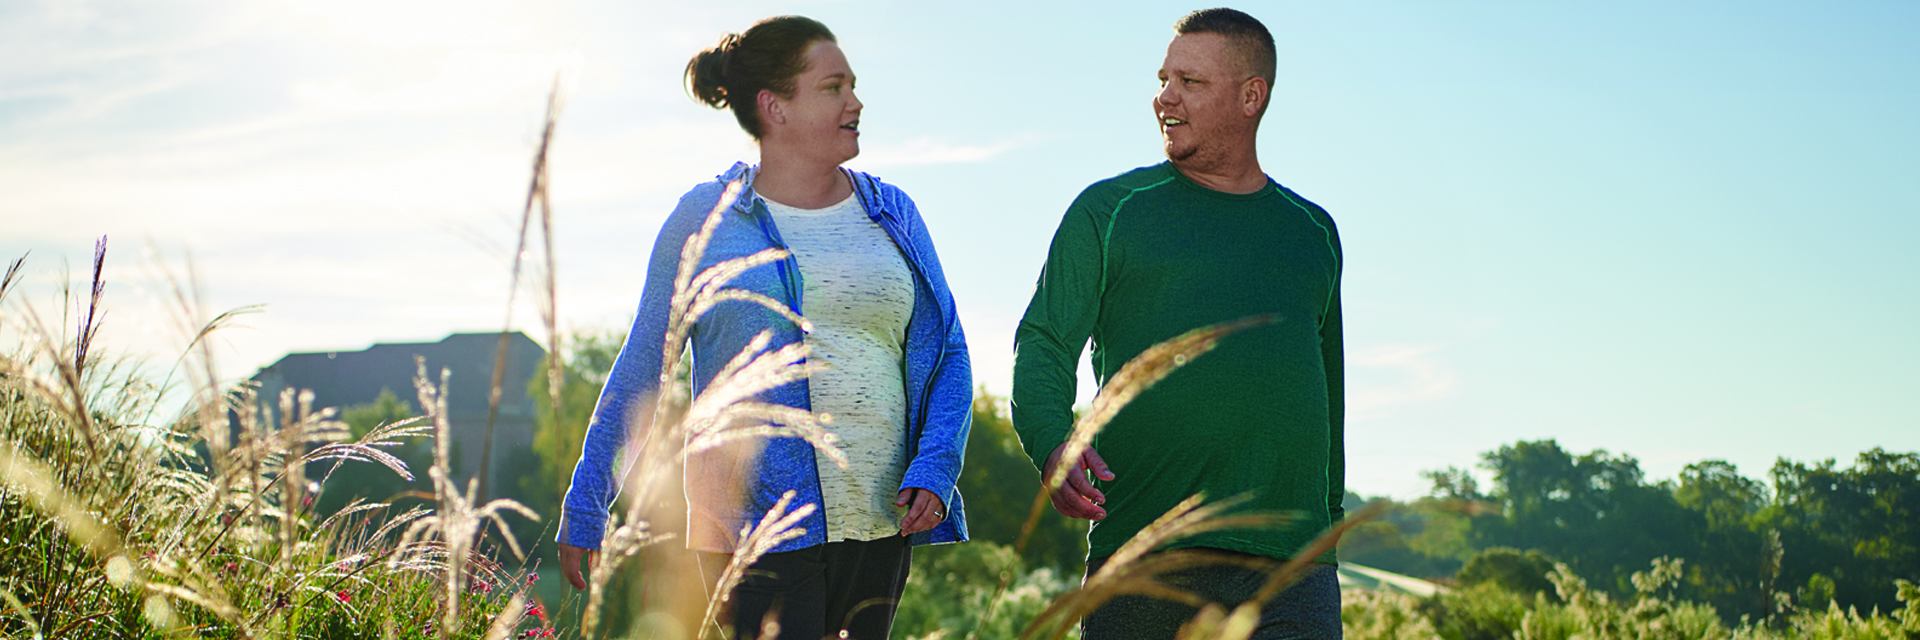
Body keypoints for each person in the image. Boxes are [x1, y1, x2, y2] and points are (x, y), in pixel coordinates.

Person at [555, 15, 972, 640]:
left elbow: (947, 352)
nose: (856, 102)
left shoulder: (893, 213)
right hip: (755, 523)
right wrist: (587, 503)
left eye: (853, 86)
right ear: (774, 107)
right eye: (833, 87)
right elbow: (645, 365)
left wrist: (936, 467)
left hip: (882, 523)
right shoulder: (710, 217)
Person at [1010, 8, 1345, 639]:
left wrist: (1327, 530)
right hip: (1143, 553)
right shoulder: (1109, 213)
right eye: (1164, 79)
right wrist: (1052, 439)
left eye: (1190, 82)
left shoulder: (1313, 233)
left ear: (1252, 96)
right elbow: (1045, 341)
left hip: (1292, 569)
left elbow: (1330, 393)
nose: (1165, 97)